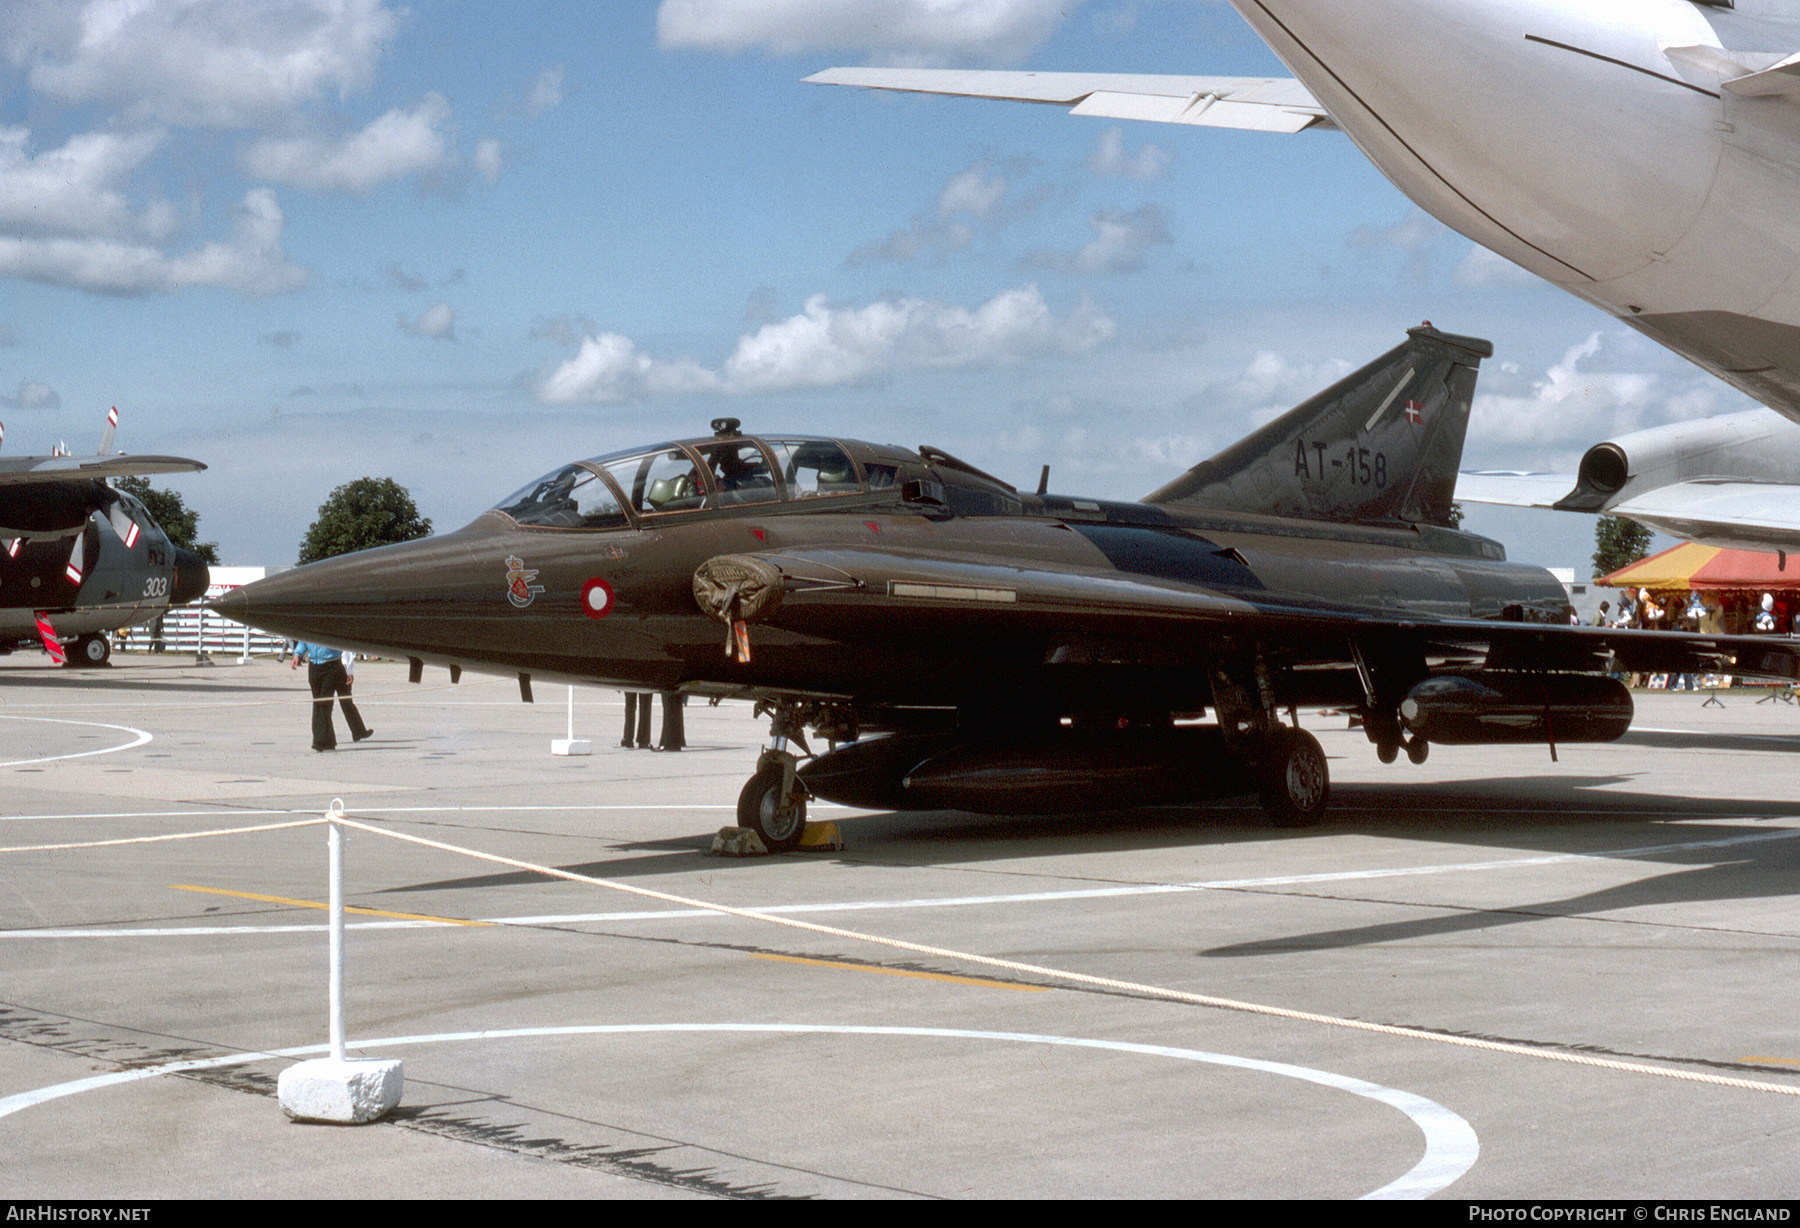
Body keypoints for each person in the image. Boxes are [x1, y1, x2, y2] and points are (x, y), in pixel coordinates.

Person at [291, 641, 372, 751]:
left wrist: (348, 669)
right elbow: (303, 641)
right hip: (314, 666)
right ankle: (327, 740)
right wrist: (297, 654)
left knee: (325, 703)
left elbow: (346, 648)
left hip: (332, 666)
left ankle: (321, 741)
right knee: (318, 703)